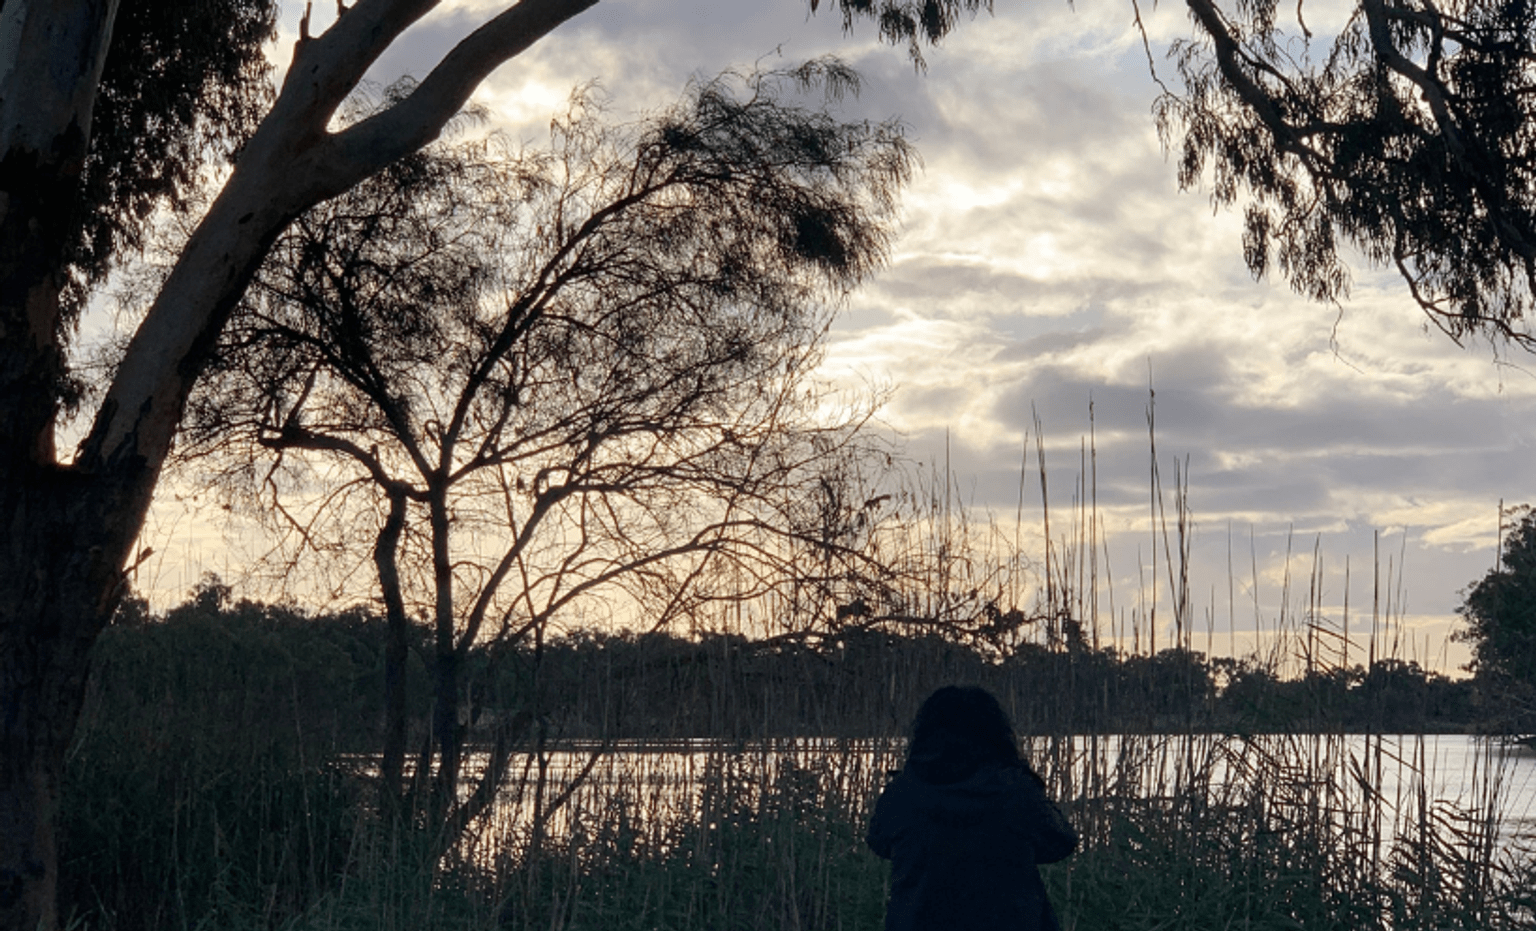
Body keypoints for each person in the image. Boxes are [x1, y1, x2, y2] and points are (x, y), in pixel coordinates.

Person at [867, 685, 1077, 931]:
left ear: (925, 735)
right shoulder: (1015, 792)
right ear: (996, 735)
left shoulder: (903, 793)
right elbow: (1061, 842)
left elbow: (879, 842)